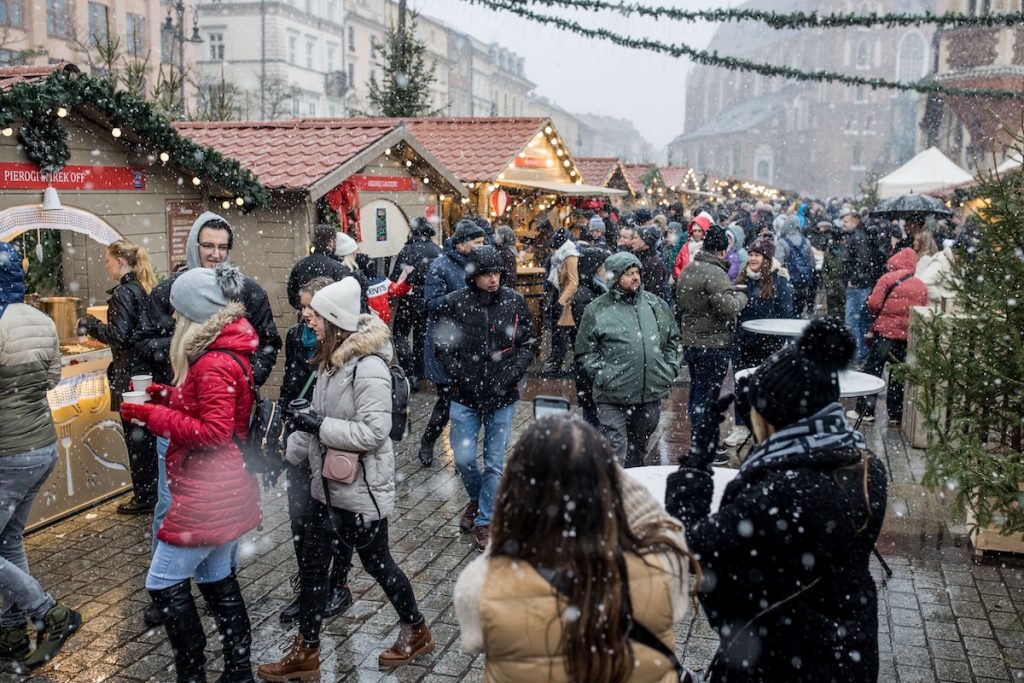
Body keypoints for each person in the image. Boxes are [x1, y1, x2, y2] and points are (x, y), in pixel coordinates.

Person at [665, 318, 888, 682]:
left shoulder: (779, 494)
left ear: (773, 417)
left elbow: (685, 545)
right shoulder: (865, 466)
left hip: (776, 662)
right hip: (849, 653)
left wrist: (697, 462)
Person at [257, 278, 433, 681]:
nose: (309, 320)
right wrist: (284, 453)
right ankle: (307, 649)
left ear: (334, 319)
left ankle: (416, 628)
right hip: (327, 488)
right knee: (315, 568)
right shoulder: (329, 360)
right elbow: (312, 424)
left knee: (378, 564)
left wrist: (319, 423)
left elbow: (374, 433)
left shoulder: (368, 365)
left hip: (361, 491)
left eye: (316, 314)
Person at [454, 416, 695, 683]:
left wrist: (517, 522)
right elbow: (663, 526)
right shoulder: (659, 566)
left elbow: (473, 638)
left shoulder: (481, 584)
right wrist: (605, 472)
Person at [131, 211, 280, 627]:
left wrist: (241, 378)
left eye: (222, 247)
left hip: (220, 421)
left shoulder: (245, 290)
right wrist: (184, 353)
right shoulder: (169, 291)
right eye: (207, 245)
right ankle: (174, 594)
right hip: (179, 411)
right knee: (170, 501)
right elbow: (141, 341)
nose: (215, 255)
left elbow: (267, 342)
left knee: (225, 503)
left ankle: (216, 585)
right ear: (193, 244)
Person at [120, 265, 262, 683]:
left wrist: (153, 415)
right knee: (217, 579)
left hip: (208, 492)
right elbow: (208, 408)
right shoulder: (219, 352)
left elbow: (215, 431)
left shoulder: (213, 362)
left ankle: (192, 673)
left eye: (178, 313)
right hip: (224, 486)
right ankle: (237, 671)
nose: (173, 320)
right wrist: (165, 395)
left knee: (163, 584)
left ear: (195, 315)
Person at [0, 242, 82, 670]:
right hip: (41, 445)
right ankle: (12, 632)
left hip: (7, 452)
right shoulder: (39, 318)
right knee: (9, 540)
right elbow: (51, 378)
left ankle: (51, 613)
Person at [434, 246, 537, 549]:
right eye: (487, 274)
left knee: (495, 463)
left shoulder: (514, 302)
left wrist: (512, 373)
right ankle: (479, 500)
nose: (493, 279)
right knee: (464, 460)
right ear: (473, 276)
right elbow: (442, 344)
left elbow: (528, 341)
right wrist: (459, 374)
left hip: (502, 395)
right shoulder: (454, 304)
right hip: (464, 395)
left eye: (497, 274)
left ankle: (486, 520)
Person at [276, 276, 352, 626]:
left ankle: (338, 584)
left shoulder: (342, 342)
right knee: (299, 519)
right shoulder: (296, 337)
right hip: (298, 435)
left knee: (336, 521)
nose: (306, 314)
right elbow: (290, 382)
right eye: (303, 306)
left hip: (328, 442)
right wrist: (283, 424)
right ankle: (309, 587)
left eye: (313, 307)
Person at [575, 252, 681, 468]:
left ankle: (632, 495)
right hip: (612, 396)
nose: (635, 278)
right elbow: (585, 351)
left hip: (649, 394)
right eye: (628, 274)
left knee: (638, 450)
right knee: (615, 451)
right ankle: (613, 497)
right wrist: (603, 375)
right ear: (615, 278)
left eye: (636, 272)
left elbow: (672, 340)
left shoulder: (655, 304)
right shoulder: (596, 309)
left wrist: (668, 369)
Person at [78, 239, 159, 515]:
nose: (106, 264)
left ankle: (145, 496)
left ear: (121, 261)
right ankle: (152, 492)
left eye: (107, 260)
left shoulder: (125, 292)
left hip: (131, 378)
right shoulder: (144, 287)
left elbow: (120, 336)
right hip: (144, 375)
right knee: (146, 437)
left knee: (137, 440)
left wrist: (92, 325)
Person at [419, 219, 486, 467]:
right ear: (461, 243)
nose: (481, 246)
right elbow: (431, 303)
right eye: (477, 242)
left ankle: (463, 457)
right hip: (445, 344)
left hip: (471, 344)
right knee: (448, 401)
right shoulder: (440, 266)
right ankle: (428, 441)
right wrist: (460, 299)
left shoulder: (477, 264)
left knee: (467, 404)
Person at [675, 225, 747, 448]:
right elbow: (727, 307)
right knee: (707, 397)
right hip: (713, 345)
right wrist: (742, 297)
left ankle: (699, 439)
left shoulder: (689, 269)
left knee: (697, 393)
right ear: (722, 251)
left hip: (692, 342)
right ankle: (705, 445)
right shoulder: (715, 273)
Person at [724, 237, 794, 448]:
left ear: (767, 258)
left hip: (768, 345)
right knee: (741, 386)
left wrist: (777, 340)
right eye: (751, 254)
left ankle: (766, 429)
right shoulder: (743, 277)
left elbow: (786, 313)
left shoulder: (778, 280)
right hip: (743, 343)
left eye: (757, 255)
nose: (752, 258)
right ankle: (741, 427)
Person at [851, 248, 928, 425]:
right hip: (906, 337)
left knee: (873, 370)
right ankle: (895, 415)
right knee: (898, 375)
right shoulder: (920, 284)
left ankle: (865, 411)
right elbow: (923, 309)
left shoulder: (887, 278)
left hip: (885, 335)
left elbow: (873, 303)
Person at [390, 217, 441, 388]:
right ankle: (420, 373)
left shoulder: (408, 250)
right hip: (428, 299)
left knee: (400, 333)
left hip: (409, 299)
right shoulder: (437, 250)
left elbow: (396, 277)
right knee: (422, 336)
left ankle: (408, 372)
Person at [840, 207, 888, 365]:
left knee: (854, 320)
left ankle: (856, 355)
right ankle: (861, 354)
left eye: (845, 221)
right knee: (860, 321)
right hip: (863, 284)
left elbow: (864, 261)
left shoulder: (858, 236)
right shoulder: (861, 235)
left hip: (858, 286)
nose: (843, 224)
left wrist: (853, 279)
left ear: (855, 221)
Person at [571, 245, 611, 428]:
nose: (607, 271)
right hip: (591, 368)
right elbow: (589, 336)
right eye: (604, 266)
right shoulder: (585, 296)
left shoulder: (598, 291)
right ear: (595, 267)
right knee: (593, 422)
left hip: (597, 367)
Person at [285, 224, 363, 311]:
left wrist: (305, 308)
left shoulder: (300, 265)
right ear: (330, 242)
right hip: (328, 318)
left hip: (306, 317)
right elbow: (346, 297)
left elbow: (292, 294)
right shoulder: (337, 268)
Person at [541, 228, 579, 377]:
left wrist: (561, 301)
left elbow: (573, 282)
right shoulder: (561, 256)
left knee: (562, 333)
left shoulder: (570, 255)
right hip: (560, 297)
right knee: (560, 333)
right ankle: (558, 362)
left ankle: (558, 363)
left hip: (567, 301)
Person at [775, 214, 816, 316]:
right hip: (803, 281)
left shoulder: (782, 242)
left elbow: (777, 264)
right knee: (799, 309)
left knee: (787, 310)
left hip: (788, 282)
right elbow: (812, 263)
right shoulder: (806, 241)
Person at [914, 228, 956, 304]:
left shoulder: (925, 259)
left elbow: (921, 282)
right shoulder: (926, 258)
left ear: (923, 243)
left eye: (917, 241)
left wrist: (942, 299)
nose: (914, 243)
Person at [632, 225, 667, 300]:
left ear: (644, 241)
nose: (633, 241)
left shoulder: (655, 263)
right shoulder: (636, 257)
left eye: (636, 238)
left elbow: (653, 292)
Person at [673, 212, 713, 277]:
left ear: (704, 232)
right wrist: (681, 277)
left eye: (699, 231)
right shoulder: (686, 246)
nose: (697, 233)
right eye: (695, 231)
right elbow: (677, 265)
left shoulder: (708, 248)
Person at [493, 225, 518, 289]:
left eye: (497, 234)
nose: (494, 236)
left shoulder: (506, 253)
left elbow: (510, 277)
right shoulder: (503, 250)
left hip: (503, 288)